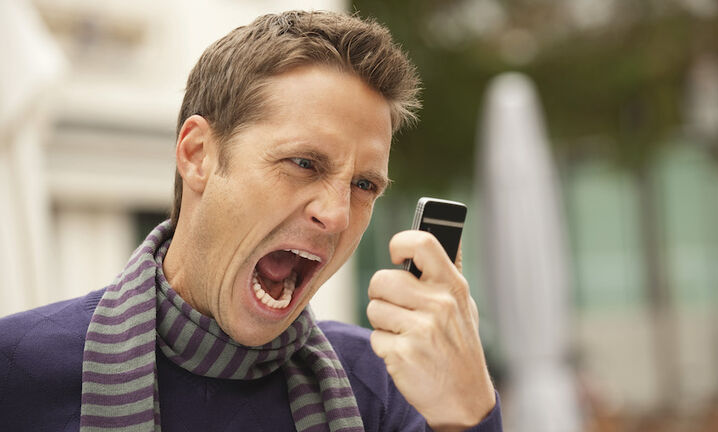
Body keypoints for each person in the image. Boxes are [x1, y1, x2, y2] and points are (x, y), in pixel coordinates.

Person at [0, 10, 502, 431]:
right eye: (304, 164)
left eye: (364, 185)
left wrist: (466, 415)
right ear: (197, 155)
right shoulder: (18, 370)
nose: (336, 214)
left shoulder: (391, 390)